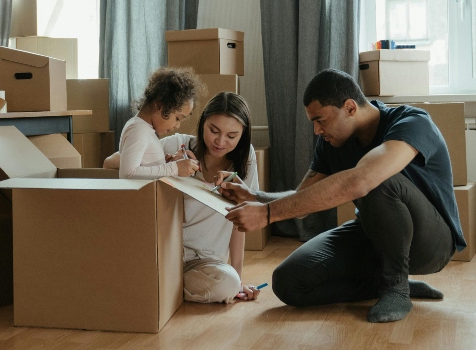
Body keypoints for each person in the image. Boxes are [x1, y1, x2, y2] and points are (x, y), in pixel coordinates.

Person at [219, 68, 466, 322]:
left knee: (376, 179)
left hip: (432, 244)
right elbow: (302, 200)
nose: (316, 131)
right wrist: (255, 198)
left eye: (321, 120)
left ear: (350, 107)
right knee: (289, 282)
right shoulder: (331, 143)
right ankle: (384, 283)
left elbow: (363, 180)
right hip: (374, 235)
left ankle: (396, 288)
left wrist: (267, 214)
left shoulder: (412, 122)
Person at [107, 90, 263, 303]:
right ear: (202, 124)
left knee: (228, 284)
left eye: (232, 136)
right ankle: (160, 284)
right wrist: (167, 165)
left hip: (205, 263)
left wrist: (238, 278)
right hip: (165, 253)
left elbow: (240, 221)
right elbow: (111, 162)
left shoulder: (246, 160)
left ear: (242, 136)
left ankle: (159, 286)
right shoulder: (177, 144)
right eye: (213, 130)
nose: (220, 141)